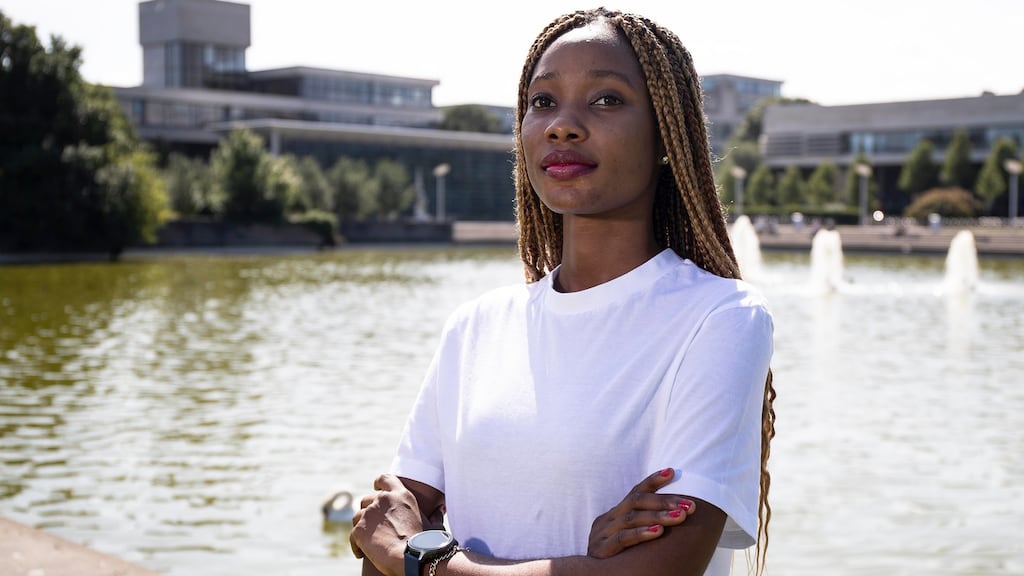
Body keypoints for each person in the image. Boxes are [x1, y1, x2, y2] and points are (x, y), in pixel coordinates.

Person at [350, 7, 776, 576]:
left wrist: (427, 561)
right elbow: (379, 548)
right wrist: (579, 561)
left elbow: (661, 571)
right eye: (543, 101)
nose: (562, 125)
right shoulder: (475, 327)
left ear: (667, 136)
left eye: (606, 100)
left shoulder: (722, 317)